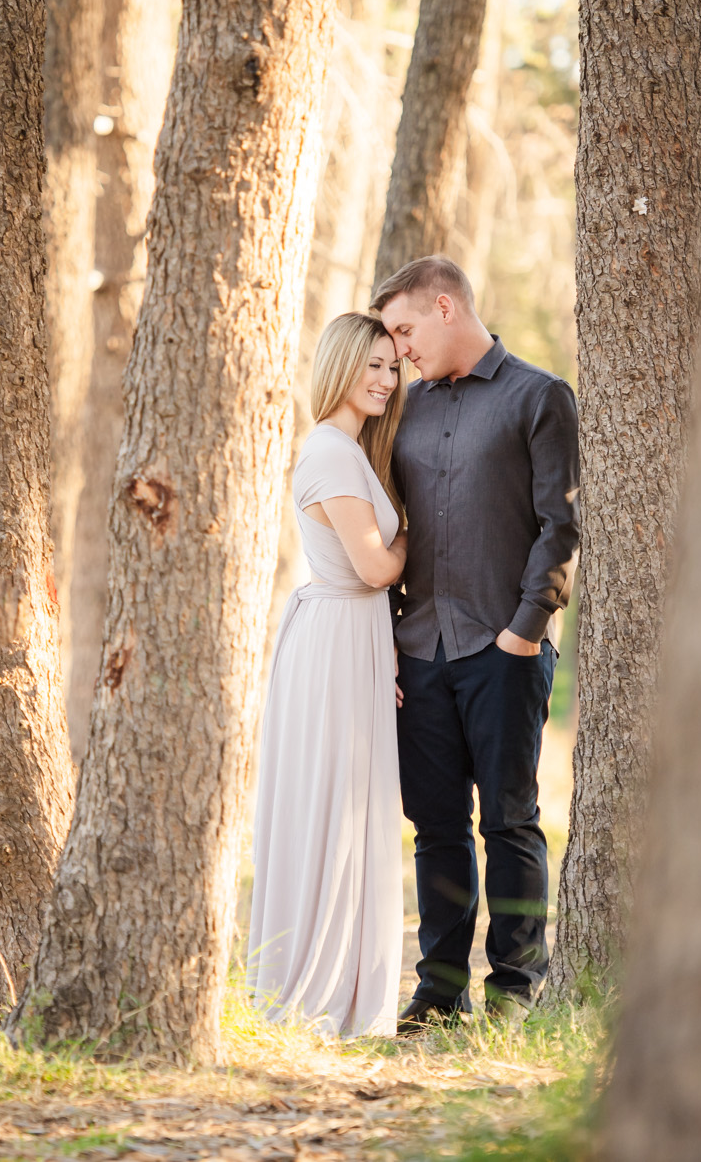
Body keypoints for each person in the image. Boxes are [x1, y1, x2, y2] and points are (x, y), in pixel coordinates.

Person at [371, 257, 579, 1032]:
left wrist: (524, 632)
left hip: (505, 651)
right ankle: (439, 989)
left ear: (446, 307)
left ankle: (516, 986)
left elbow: (560, 525)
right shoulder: (405, 410)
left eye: (404, 328)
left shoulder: (539, 396)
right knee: (437, 828)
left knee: (511, 821)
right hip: (419, 650)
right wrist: (388, 634)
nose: (398, 349)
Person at [246, 312, 409, 1038]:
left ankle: (341, 978)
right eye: (371, 364)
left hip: (354, 634)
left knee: (352, 806)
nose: (384, 378)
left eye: (392, 366)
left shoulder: (352, 451)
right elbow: (375, 566)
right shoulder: (333, 452)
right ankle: (320, 983)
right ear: (341, 367)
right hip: (338, 632)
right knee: (333, 805)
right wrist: (415, 535)